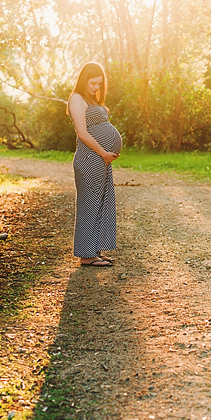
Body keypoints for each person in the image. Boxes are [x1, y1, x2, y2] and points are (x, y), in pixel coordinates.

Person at [67, 62, 122, 267]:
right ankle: (86, 255)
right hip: (89, 159)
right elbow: (83, 133)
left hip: (101, 159)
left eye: (99, 84)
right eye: (93, 83)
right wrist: (103, 153)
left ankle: (94, 251)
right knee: (89, 205)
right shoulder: (77, 99)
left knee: (101, 203)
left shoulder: (90, 99)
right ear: (84, 80)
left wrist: (106, 156)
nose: (96, 87)